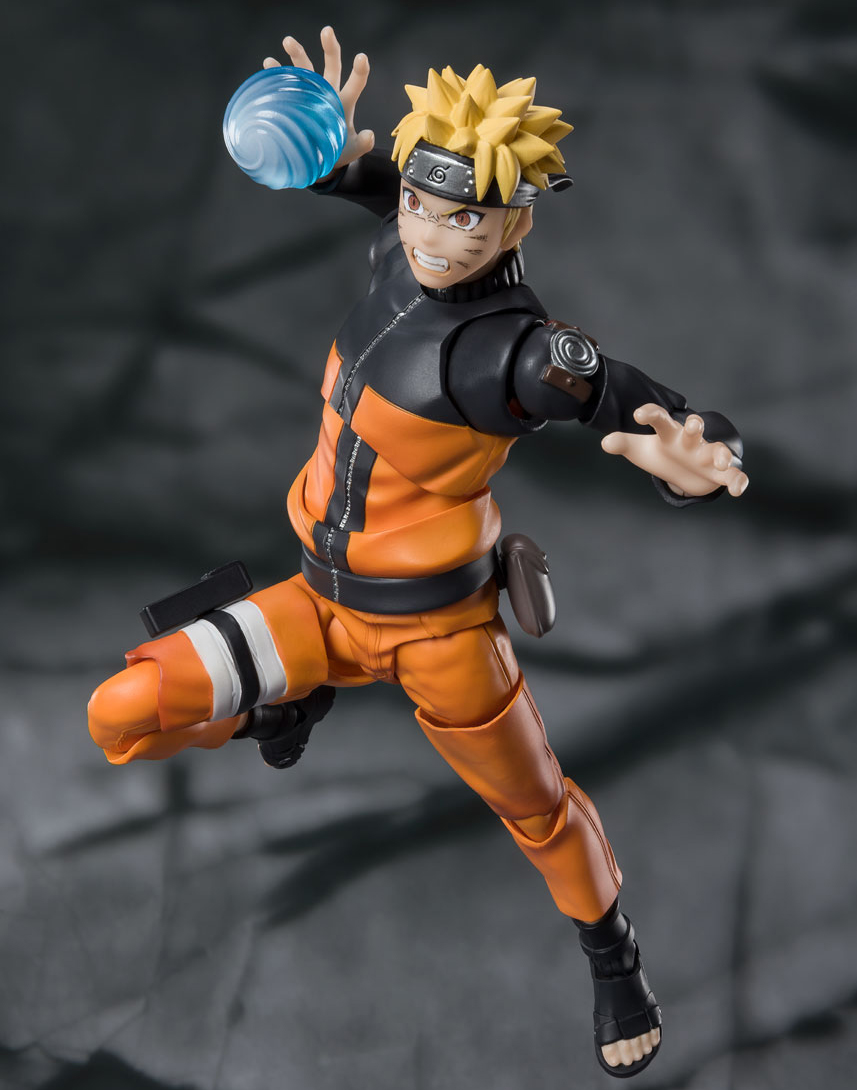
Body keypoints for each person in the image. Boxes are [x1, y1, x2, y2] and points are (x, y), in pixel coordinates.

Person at [88, 27, 748, 1077]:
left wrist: (693, 454)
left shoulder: (518, 358)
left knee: (535, 809)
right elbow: (372, 183)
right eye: (422, 205)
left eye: (467, 218)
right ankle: (281, 707)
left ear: (514, 221)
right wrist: (322, 148)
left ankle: (613, 959)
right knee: (121, 711)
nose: (436, 235)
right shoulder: (400, 247)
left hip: (440, 637)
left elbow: (635, 400)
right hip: (317, 605)